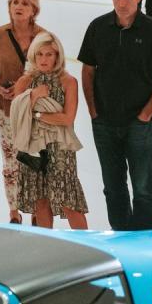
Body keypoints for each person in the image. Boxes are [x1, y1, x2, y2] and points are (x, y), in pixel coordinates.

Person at [78, 0, 152, 231]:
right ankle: (121, 237)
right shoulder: (97, 27)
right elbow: (87, 70)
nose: (122, 3)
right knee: (112, 187)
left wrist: (145, 115)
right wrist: (92, 110)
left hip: (139, 125)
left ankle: (145, 240)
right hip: (104, 123)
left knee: (142, 187)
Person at [0, 0, 46, 224]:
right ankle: (14, 212)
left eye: (25, 4)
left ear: (33, 10)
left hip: (35, 110)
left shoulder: (44, 37)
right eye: (15, 2)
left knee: (35, 160)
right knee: (10, 161)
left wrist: (30, 90)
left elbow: (52, 75)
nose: (18, 7)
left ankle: (38, 213)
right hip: (4, 107)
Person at [9, 31, 88, 230]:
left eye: (49, 54)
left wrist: (37, 115)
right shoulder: (25, 82)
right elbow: (17, 116)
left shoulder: (68, 82)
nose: (44, 59)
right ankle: (48, 247)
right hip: (33, 146)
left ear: (57, 56)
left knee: (69, 200)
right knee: (40, 200)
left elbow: (67, 118)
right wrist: (33, 95)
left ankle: (88, 248)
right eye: (40, 54)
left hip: (60, 147)